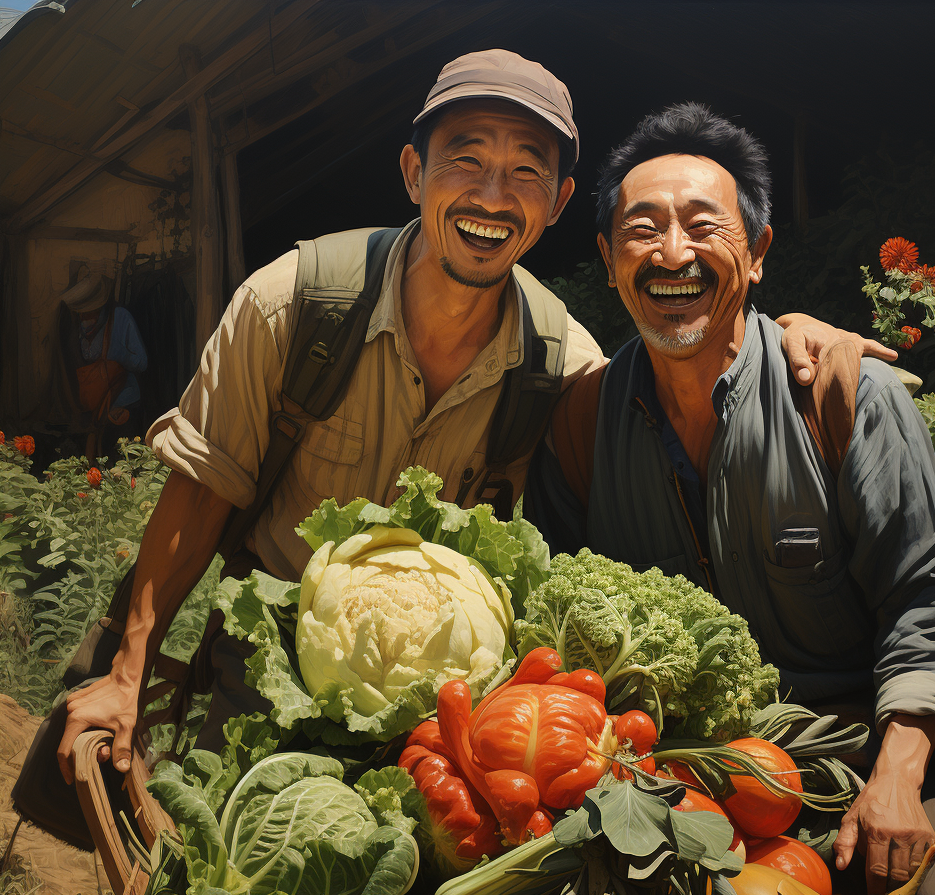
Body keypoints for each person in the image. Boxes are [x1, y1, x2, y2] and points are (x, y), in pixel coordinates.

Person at [55, 53, 876, 790]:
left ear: (557, 204)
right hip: (267, 658)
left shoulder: (564, 364)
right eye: (466, 160)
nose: (491, 195)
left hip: (442, 703)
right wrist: (129, 671)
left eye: (525, 172)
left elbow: (681, 382)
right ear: (415, 172)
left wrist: (784, 336)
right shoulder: (293, 304)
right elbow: (202, 491)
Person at [526, 101, 935, 895]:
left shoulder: (844, 396)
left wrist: (899, 779)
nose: (670, 251)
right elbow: (551, 628)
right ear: (607, 261)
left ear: (756, 253)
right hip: (688, 763)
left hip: (862, 737)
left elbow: (928, 600)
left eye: (701, 225)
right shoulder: (581, 424)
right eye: (642, 229)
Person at [60, 271, 148, 459]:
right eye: (80, 312)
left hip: (124, 404)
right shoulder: (82, 327)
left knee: (119, 464)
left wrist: (118, 356)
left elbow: (142, 362)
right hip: (97, 408)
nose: (83, 315)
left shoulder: (121, 318)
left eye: (87, 310)